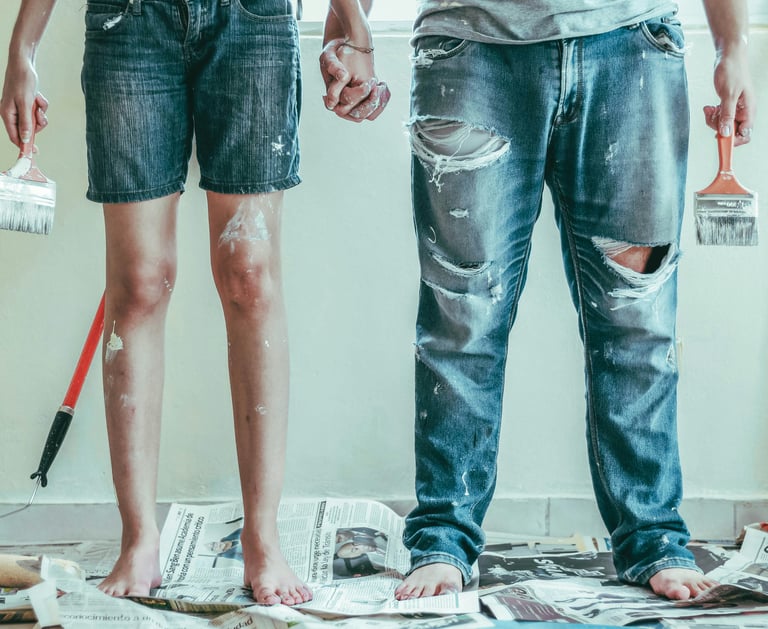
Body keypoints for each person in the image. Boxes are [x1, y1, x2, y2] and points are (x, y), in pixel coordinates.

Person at [322, 0, 755, 602]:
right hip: (469, 49)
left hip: (631, 44)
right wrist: (349, 26)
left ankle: (653, 537)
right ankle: (444, 536)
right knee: (462, 318)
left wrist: (731, 45)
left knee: (639, 317)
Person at [2, 0, 385, 604]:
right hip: (128, 25)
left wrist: (353, 20)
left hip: (253, 24)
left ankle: (262, 539)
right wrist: (22, 50)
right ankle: (139, 540)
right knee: (139, 282)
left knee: (250, 275)